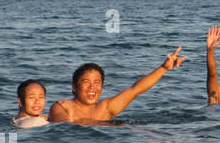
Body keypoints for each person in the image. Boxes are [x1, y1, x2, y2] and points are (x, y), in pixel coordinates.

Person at [48, 48, 185, 123]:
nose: (92, 88)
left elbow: (135, 90)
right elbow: (63, 130)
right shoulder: (62, 107)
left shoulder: (105, 108)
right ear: (74, 86)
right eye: (86, 82)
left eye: (97, 83)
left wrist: (163, 68)